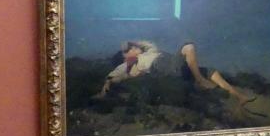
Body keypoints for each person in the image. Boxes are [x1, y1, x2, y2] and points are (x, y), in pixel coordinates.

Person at [95, 40, 255, 105]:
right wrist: (104, 91)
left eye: (133, 48)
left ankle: (239, 96)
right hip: (165, 67)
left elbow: (145, 44)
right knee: (188, 47)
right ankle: (200, 81)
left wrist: (131, 44)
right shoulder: (127, 65)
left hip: (175, 63)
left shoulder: (148, 51)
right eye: (130, 50)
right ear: (124, 56)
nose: (134, 49)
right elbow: (112, 77)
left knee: (212, 72)